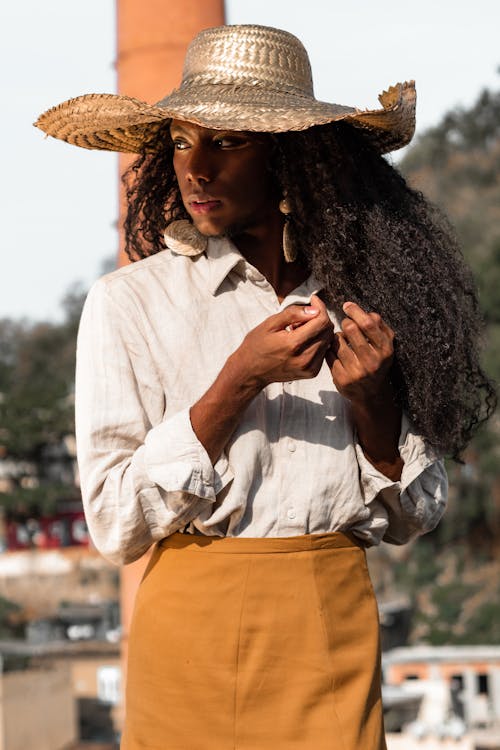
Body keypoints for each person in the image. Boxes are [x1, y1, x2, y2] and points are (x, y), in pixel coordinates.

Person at [35, 23, 495, 750]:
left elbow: (413, 518)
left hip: (330, 632)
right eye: (182, 142)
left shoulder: (366, 300)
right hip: (188, 639)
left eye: (227, 141)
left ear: (292, 154)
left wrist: (375, 404)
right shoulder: (129, 304)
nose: (197, 169)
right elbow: (116, 524)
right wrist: (238, 380)